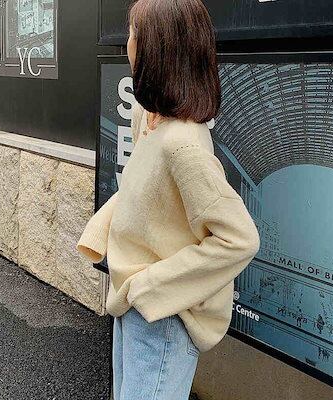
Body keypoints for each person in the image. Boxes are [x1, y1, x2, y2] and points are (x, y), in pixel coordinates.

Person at [76, 0, 260, 399]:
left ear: (156, 49)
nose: (127, 42)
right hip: (134, 302)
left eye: (133, 34)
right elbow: (143, 188)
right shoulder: (150, 120)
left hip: (163, 316)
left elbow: (240, 239)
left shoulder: (183, 145)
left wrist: (148, 286)